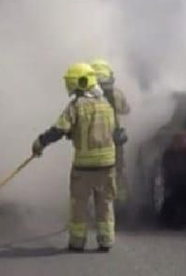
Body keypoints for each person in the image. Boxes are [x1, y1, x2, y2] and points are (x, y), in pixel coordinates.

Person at [31, 62, 119, 253]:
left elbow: (59, 129)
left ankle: (77, 242)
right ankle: (106, 240)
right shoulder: (106, 105)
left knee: (79, 204)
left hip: (84, 166)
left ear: (80, 82)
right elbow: (109, 131)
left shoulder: (76, 106)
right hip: (108, 165)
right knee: (105, 203)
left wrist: (40, 143)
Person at [91, 58, 131, 205]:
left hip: (93, 142)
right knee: (117, 171)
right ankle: (120, 203)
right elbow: (126, 110)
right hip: (114, 141)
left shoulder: (84, 98)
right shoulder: (116, 94)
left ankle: (96, 202)